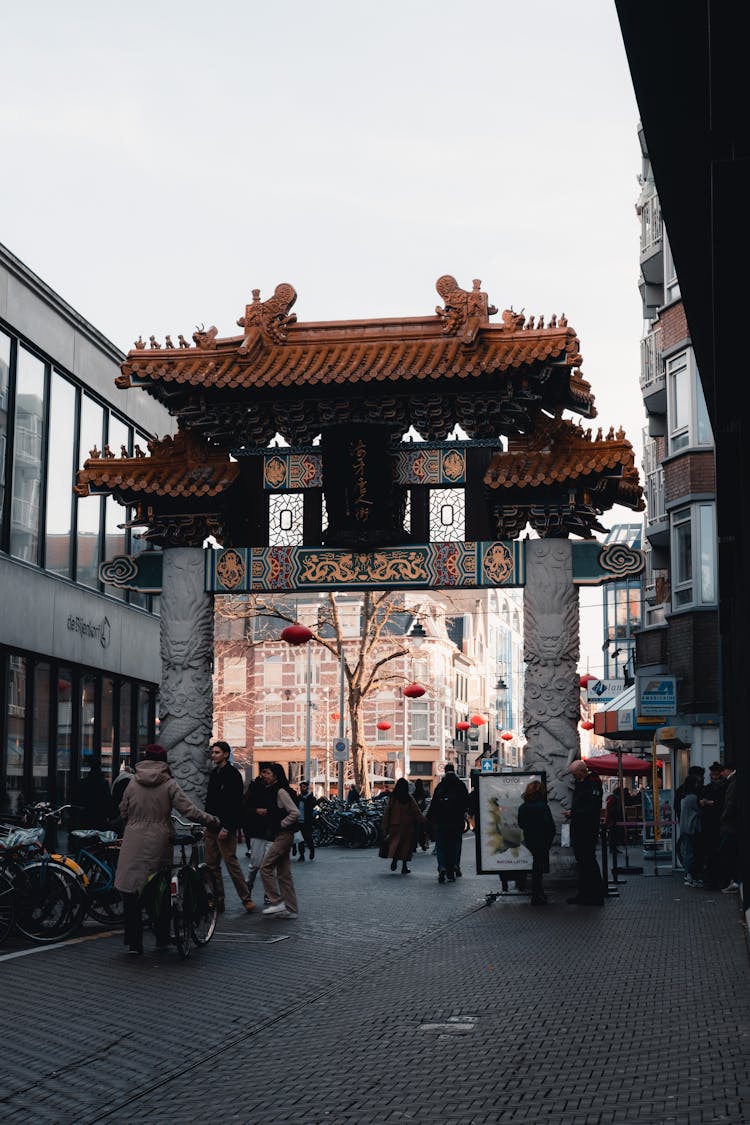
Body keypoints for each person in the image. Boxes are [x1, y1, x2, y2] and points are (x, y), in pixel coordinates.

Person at [114, 744, 219, 955]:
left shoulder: (133, 783)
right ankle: (162, 938)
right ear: (164, 761)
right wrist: (211, 820)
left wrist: (133, 823)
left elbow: (123, 810)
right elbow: (189, 810)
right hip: (159, 839)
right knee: (159, 888)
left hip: (133, 839)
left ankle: (134, 944)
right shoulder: (169, 783)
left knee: (132, 890)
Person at [204, 741, 254, 914]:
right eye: (212, 752)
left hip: (225, 826)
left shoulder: (232, 774)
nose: (213, 755)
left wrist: (227, 827)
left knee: (231, 863)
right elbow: (210, 801)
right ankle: (218, 900)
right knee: (211, 865)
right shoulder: (214, 773)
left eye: (217, 752)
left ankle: (246, 898)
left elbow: (234, 804)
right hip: (211, 825)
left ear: (225, 754)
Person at [259, 764, 300, 917]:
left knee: (265, 867)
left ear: (276, 775)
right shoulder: (273, 790)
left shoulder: (281, 791)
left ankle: (277, 902)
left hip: (283, 835)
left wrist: (282, 824)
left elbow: (294, 812)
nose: (265, 775)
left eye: (268, 773)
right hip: (281, 835)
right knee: (284, 874)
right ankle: (291, 909)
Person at [565, 759, 605, 906]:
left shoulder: (591, 785)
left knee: (588, 861)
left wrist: (573, 813)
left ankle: (595, 895)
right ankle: (584, 894)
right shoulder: (582, 784)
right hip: (580, 828)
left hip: (587, 829)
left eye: (575, 774)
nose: (573, 777)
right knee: (583, 862)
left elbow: (591, 809)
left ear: (582, 772)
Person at [425, 764, 469, 883]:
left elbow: (433, 805)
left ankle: (442, 866)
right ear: (454, 771)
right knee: (455, 844)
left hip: (442, 821)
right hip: (456, 821)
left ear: (444, 771)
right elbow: (466, 802)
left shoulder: (440, 786)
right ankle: (455, 865)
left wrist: (429, 819)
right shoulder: (460, 785)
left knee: (441, 845)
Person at [517, 779, 556, 905]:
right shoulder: (543, 807)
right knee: (538, 866)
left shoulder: (523, 807)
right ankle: (537, 893)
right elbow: (550, 825)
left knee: (536, 864)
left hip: (530, 838)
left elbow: (521, 824)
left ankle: (538, 892)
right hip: (543, 838)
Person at [242, 768, 277, 900]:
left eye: (269, 773)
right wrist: (256, 811)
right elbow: (244, 807)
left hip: (272, 831)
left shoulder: (277, 790)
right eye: (264, 773)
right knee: (255, 864)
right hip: (258, 831)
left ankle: (269, 893)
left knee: (270, 866)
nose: (266, 776)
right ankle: (248, 886)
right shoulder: (255, 788)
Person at [381, 777, 425, 875]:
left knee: (396, 844)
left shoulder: (393, 797)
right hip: (407, 825)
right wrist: (423, 820)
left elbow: (388, 811)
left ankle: (394, 861)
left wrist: (385, 825)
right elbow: (416, 810)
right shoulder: (409, 798)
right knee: (406, 846)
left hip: (394, 824)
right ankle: (404, 866)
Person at [699, 762, 725, 888]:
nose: (713, 777)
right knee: (711, 852)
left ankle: (714, 880)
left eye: (715, 774)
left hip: (715, 824)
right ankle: (712, 880)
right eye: (712, 774)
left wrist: (708, 803)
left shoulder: (720, 787)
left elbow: (721, 804)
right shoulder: (711, 787)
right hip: (711, 824)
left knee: (715, 853)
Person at [78, 759, 117, 830]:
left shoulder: (83, 783)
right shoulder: (103, 783)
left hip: (86, 816)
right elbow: (108, 801)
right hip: (100, 817)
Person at [678, 775, 703, 887]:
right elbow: (699, 809)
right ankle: (690, 876)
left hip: (685, 828)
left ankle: (689, 876)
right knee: (691, 853)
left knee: (688, 851)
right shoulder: (693, 798)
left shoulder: (684, 797)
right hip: (691, 828)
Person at [718, 761, 739, 893]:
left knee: (727, 852)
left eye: (722, 771)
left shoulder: (733, 783)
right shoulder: (734, 781)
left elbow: (730, 803)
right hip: (732, 825)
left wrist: (723, 817)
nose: (721, 774)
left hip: (730, 826)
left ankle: (733, 880)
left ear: (727, 770)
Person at [296, 780, 318, 862]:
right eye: (301, 787)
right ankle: (301, 855)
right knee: (300, 839)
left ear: (307, 788)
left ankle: (312, 851)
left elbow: (313, 804)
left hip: (307, 821)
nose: (302, 789)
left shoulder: (311, 798)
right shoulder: (298, 798)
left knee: (308, 838)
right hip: (299, 821)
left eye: (304, 787)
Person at [412, 778, 429, 852]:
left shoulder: (414, 794)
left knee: (414, 830)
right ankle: (422, 844)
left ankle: (414, 846)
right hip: (423, 813)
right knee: (422, 830)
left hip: (415, 814)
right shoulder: (425, 793)